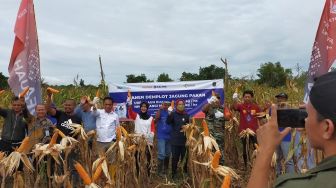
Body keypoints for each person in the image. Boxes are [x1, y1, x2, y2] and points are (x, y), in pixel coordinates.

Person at [247, 71, 336, 188]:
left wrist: (264, 151)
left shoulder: (294, 185)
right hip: (279, 140)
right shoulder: (272, 109)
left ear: (327, 128)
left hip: (286, 138)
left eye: (307, 115)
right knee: (279, 159)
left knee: (287, 160)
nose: (304, 121)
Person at [232, 90, 261, 168]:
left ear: (252, 98)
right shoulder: (241, 106)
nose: (247, 98)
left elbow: (261, 117)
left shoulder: (256, 107)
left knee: (256, 148)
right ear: (243, 98)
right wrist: (234, 99)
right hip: (243, 131)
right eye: (245, 97)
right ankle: (246, 166)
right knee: (245, 149)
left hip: (254, 131)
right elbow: (234, 107)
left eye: (249, 97)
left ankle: (257, 165)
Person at [202, 93, 229, 165]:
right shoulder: (208, 107)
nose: (216, 100)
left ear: (220, 100)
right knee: (210, 150)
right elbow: (203, 110)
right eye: (215, 99)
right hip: (210, 135)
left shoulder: (223, 109)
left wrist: (223, 114)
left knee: (220, 150)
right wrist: (210, 102)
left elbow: (228, 118)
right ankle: (210, 166)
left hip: (220, 134)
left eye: (218, 99)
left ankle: (221, 165)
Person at [167, 99, 190, 180]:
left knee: (185, 158)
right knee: (175, 158)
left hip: (184, 141)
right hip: (175, 141)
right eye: (179, 104)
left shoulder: (186, 115)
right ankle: (173, 174)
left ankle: (184, 173)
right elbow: (168, 121)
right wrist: (169, 113)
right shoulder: (173, 114)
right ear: (177, 105)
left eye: (182, 104)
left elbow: (189, 128)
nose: (181, 106)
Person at [274, 93, 295, 174]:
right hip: (276, 137)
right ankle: (278, 175)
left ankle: (290, 178)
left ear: (286, 99)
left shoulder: (290, 108)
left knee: (288, 159)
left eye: (281, 98)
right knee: (277, 159)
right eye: (278, 98)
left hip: (286, 137)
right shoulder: (274, 108)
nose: (279, 100)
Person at [155, 101, 172, 177]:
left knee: (168, 153)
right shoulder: (160, 112)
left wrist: (171, 112)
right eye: (165, 105)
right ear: (162, 105)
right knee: (162, 153)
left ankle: (165, 170)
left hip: (170, 136)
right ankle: (159, 172)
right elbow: (156, 119)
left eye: (168, 105)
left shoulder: (171, 112)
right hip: (161, 136)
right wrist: (160, 109)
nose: (166, 106)